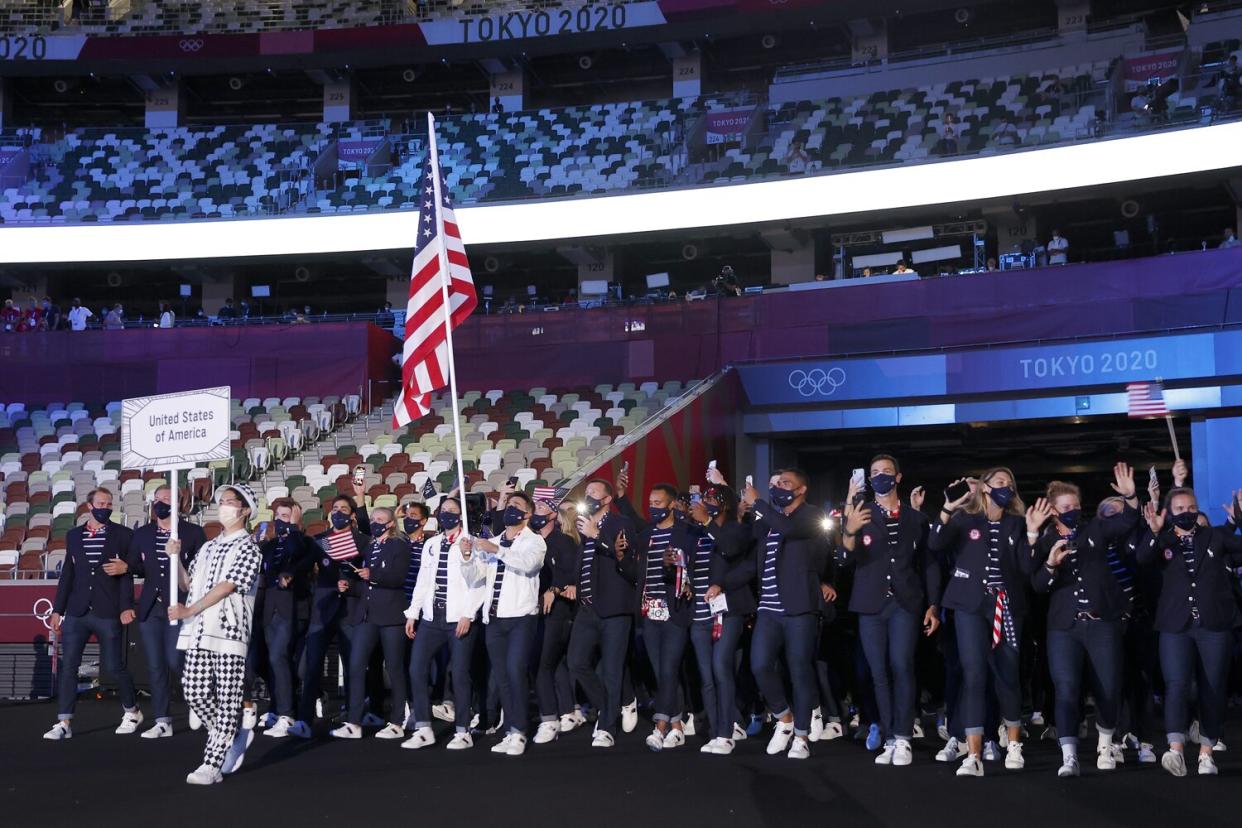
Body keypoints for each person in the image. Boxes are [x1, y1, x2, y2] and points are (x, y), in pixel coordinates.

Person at [1029, 464, 1140, 777]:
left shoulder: (1095, 530)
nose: (1073, 511)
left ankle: (1105, 743)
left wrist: (1131, 497)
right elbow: (1035, 583)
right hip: (1064, 627)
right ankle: (1069, 756)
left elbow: (1127, 523)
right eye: (1066, 507)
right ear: (1052, 510)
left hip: (1102, 623)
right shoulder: (1044, 539)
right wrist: (1050, 564)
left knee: (1108, 688)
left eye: (1076, 506)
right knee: (1066, 688)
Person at [930, 468, 1038, 777]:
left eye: (1010, 484)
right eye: (1001, 482)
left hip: (1006, 606)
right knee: (974, 674)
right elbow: (936, 545)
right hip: (969, 606)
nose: (1007, 487)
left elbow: (1028, 569)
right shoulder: (965, 520)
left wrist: (1031, 534)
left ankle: (1014, 743)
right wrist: (948, 508)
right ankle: (973, 753)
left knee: (1007, 674)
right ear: (986, 488)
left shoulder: (1018, 523)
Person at [838, 455, 938, 767]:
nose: (880, 477)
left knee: (901, 665)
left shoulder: (916, 519)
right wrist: (849, 529)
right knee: (877, 671)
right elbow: (842, 558)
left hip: (905, 602)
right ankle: (891, 737)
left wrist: (933, 604)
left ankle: (904, 736)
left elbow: (929, 565)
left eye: (886, 472)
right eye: (874, 473)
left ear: (898, 477)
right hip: (870, 604)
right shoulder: (860, 514)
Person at [1138, 487, 1242, 777]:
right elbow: (1142, 559)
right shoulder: (1164, 541)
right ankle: (1176, 750)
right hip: (1174, 626)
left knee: (1212, 688)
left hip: (1214, 625)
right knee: (1177, 685)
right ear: (1170, 512)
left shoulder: (1215, 537)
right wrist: (1155, 533)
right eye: (1180, 508)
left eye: (1191, 507)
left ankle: (1207, 753)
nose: (1187, 513)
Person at [167, 484, 263, 785]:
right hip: (198, 631)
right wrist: (177, 558)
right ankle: (230, 734)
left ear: (245, 510)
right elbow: (188, 583)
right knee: (194, 692)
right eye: (221, 502)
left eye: (230, 502)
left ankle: (212, 762)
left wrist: (190, 610)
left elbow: (228, 586)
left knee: (228, 698)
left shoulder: (249, 548)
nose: (223, 507)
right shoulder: (208, 546)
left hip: (229, 633)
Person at [742, 468, 827, 760]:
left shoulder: (811, 515)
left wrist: (759, 504)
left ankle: (802, 736)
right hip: (768, 607)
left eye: (785, 483)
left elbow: (790, 529)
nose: (778, 488)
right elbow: (750, 543)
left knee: (799, 670)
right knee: (760, 665)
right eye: (773, 484)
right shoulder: (768, 520)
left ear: (802, 489)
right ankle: (785, 718)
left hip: (799, 607)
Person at [43, 488, 140, 741]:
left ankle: (132, 711)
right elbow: (68, 575)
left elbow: (128, 575)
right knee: (69, 668)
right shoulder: (74, 536)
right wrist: (58, 610)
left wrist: (126, 605)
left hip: (108, 611)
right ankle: (64, 722)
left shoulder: (123, 534)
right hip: (77, 611)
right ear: (89, 506)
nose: (105, 507)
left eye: (109, 504)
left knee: (114, 666)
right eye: (100, 503)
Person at [463, 492, 546, 756]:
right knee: (502, 677)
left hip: (521, 617)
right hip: (495, 619)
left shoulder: (535, 542)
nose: (510, 509)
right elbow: (476, 578)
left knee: (514, 670)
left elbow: (528, 565)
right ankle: (511, 728)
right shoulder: (494, 541)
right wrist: (467, 558)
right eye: (508, 505)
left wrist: (496, 550)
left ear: (528, 514)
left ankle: (521, 731)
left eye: (517, 506)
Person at [402, 497, 484, 750]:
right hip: (431, 617)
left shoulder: (470, 543)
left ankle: (462, 730)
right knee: (416, 669)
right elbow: (423, 579)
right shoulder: (431, 543)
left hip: (458, 618)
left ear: (461, 516)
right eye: (443, 510)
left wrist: (468, 614)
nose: (446, 514)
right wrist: (413, 612)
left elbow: (478, 582)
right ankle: (424, 727)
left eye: (452, 510)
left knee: (459, 674)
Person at [128, 485, 207, 739]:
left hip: (180, 606)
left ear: (178, 503)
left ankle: (200, 701)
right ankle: (163, 721)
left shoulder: (193, 533)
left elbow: (199, 572)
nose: (160, 503)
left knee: (176, 660)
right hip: (151, 608)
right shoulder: (141, 534)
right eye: (157, 499)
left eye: (166, 499)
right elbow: (135, 565)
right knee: (155, 665)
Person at [623, 482, 697, 751]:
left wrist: (686, 581)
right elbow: (636, 574)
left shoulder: (685, 533)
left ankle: (661, 726)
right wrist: (621, 557)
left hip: (675, 611)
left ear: (672, 504)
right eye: (650, 503)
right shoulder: (646, 535)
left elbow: (696, 566)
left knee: (669, 669)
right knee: (662, 672)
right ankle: (677, 725)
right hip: (650, 613)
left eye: (658, 503)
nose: (653, 507)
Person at [567, 478, 640, 747]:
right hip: (586, 609)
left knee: (611, 670)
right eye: (586, 493)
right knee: (576, 662)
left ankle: (606, 726)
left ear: (608, 499)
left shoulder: (620, 524)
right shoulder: (583, 526)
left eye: (594, 492)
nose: (588, 496)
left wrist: (597, 535)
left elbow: (627, 561)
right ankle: (620, 701)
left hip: (615, 610)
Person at [333, 507, 412, 741]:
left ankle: (398, 720)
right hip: (367, 615)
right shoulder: (370, 546)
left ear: (390, 524)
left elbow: (398, 577)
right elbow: (366, 584)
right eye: (374, 519)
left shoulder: (399, 546)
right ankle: (354, 722)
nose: (376, 522)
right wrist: (349, 587)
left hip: (391, 616)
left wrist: (373, 574)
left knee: (395, 667)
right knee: (356, 664)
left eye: (380, 519)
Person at [296, 495, 370, 731]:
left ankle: (351, 715)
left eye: (343, 509)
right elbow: (302, 561)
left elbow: (369, 571)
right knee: (310, 665)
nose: (338, 512)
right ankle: (304, 719)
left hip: (351, 609)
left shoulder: (362, 541)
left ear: (351, 515)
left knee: (352, 665)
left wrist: (353, 585)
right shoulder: (320, 541)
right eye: (334, 508)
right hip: (324, 607)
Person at [692, 484, 755, 755]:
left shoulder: (736, 529)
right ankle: (716, 730)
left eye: (710, 499)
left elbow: (729, 549)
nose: (705, 503)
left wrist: (706, 522)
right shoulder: (699, 532)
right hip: (700, 611)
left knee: (721, 667)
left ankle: (726, 732)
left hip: (729, 610)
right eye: (703, 499)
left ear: (724, 504)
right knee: (706, 675)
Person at [255, 498, 316, 738]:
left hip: (294, 608)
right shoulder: (269, 546)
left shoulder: (304, 541)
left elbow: (296, 551)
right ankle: (277, 707)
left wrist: (293, 527)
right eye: (278, 515)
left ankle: (286, 713)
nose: (280, 520)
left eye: (286, 515)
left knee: (279, 656)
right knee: (270, 659)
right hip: (270, 608)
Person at [532, 498, 582, 743]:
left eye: (541, 508)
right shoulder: (531, 541)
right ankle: (568, 711)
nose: (536, 512)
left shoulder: (563, 541)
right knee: (556, 663)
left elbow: (572, 573)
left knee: (544, 664)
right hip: (537, 609)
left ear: (554, 515)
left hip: (560, 609)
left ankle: (550, 719)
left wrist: (555, 588)